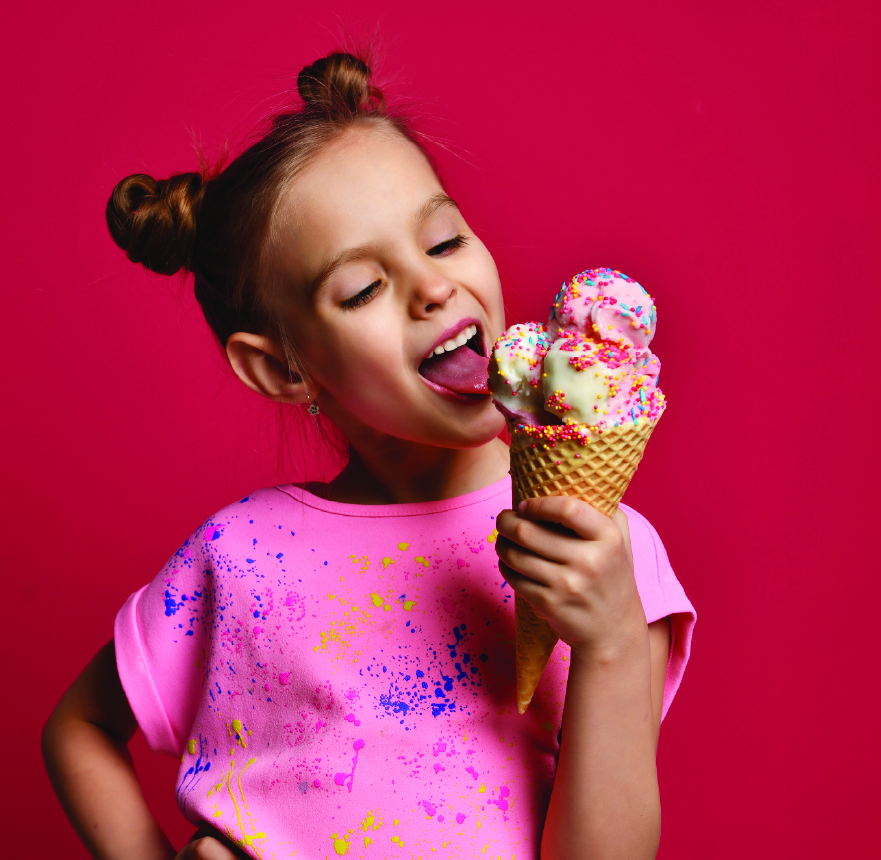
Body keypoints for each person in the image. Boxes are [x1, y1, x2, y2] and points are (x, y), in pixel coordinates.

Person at [41, 51, 695, 860]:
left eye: (444, 241)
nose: (433, 288)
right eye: (362, 289)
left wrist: (612, 642)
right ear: (284, 369)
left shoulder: (599, 551)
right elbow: (78, 728)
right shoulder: (240, 555)